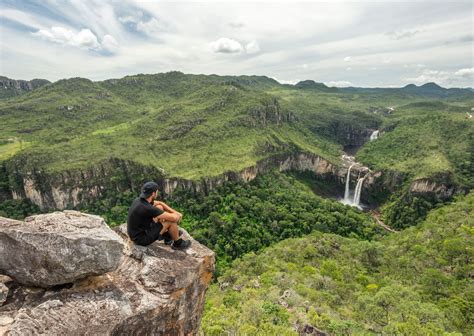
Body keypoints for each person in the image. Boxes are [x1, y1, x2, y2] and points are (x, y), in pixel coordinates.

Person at [127, 181, 191, 250]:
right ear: (153, 193)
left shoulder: (139, 200)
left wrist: (174, 211)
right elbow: (175, 218)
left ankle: (167, 236)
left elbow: (159, 203)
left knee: (159, 207)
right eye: (157, 191)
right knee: (170, 221)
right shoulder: (148, 208)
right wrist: (177, 214)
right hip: (141, 239)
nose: (158, 193)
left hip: (137, 233)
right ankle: (178, 243)